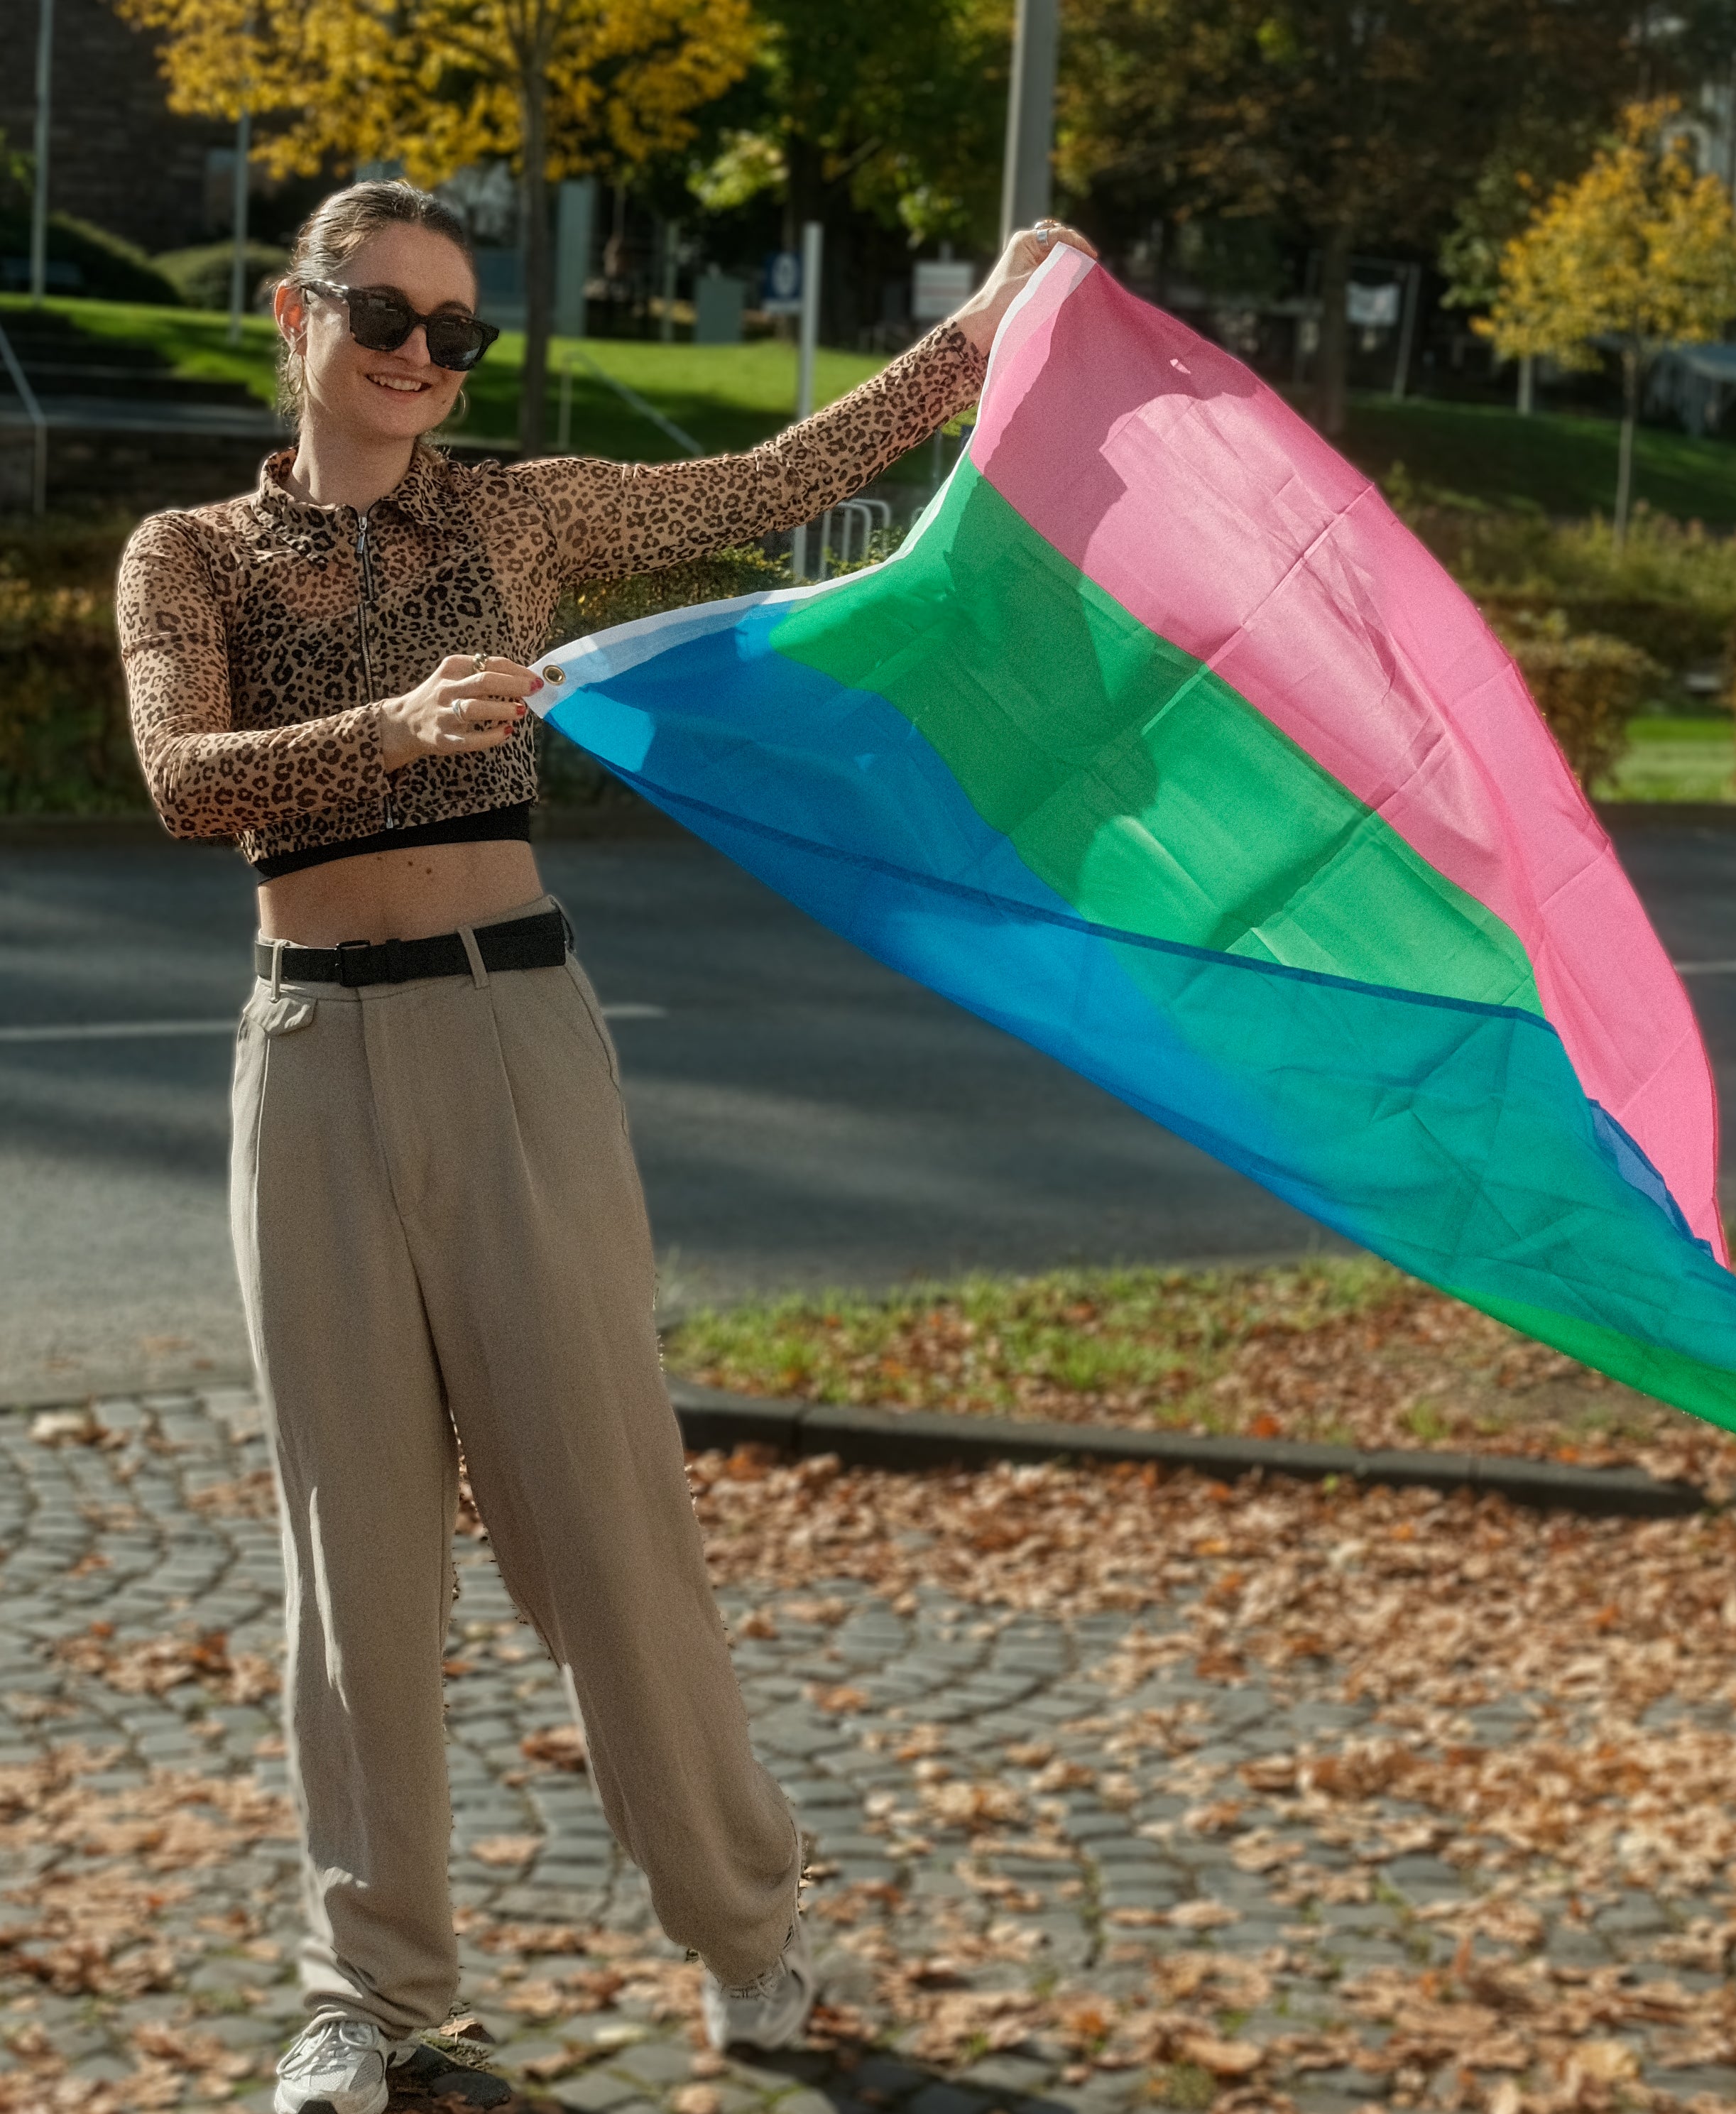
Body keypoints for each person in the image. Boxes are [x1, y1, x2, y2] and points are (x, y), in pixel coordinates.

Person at [115, 178, 1096, 2114]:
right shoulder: (188, 552)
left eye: (455, 331)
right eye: (382, 314)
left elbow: (770, 479)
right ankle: (367, 1992)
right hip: (305, 1058)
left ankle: (748, 1937)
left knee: (600, 1529)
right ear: (289, 315)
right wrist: (392, 727)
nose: (419, 358)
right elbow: (174, 778)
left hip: (514, 1039)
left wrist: (982, 328)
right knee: (351, 1555)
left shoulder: (521, 514)